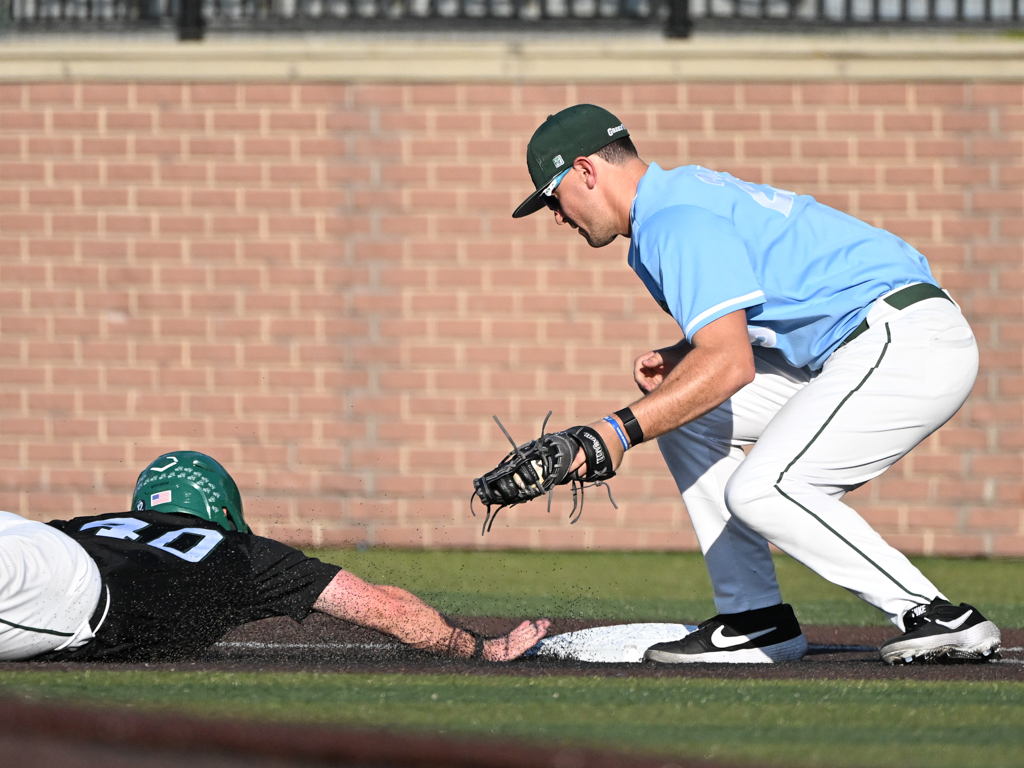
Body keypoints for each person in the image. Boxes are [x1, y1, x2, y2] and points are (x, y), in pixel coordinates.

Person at [507, 103, 1001, 665]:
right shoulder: (676, 198)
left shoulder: (672, 220)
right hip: (868, 342)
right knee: (688, 416)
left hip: (904, 341)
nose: (556, 215)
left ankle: (938, 614)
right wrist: (680, 360)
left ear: (585, 170)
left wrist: (610, 435)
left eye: (552, 196)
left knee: (765, 487)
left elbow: (730, 364)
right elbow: (745, 331)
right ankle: (755, 619)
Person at [0, 451, 549, 663]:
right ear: (222, 508)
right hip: (67, 590)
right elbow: (381, 606)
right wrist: (477, 648)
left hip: (43, 541)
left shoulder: (99, 522)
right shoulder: (243, 553)